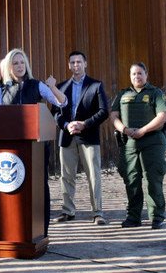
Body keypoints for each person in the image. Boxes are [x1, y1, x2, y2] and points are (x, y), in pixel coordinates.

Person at [0, 48, 68, 236]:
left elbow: (62, 103)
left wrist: (53, 87)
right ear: (9, 67)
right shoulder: (1, 89)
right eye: (15, 63)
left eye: (22, 62)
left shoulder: (37, 85)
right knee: (15, 187)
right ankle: (14, 229)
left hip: (36, 147)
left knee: (38, 188)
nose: (20, 66)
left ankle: (40, 231)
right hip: (11, 149)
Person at [110, 62, 166, 229]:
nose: (137, 77)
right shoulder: (122, 94)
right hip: (129, 144)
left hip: (152, 143)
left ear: (146, 75)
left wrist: (143, 130)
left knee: (153, 180)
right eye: (133, 74)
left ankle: (156, 217)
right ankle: (133, 217)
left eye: (139, 73)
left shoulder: (156, 93)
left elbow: (163, 116)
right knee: (131, 180)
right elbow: (114, 116)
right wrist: (124, 129)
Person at [53, 51, 109, 225]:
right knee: (66, 176)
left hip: (88, 137)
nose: (75, 65)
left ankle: (97, 213)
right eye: (72, 62)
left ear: (85, 64)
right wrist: (65, 125)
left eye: (79, 62)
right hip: (67, 137)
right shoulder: (60, 87)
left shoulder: (96, 85)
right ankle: (68, 211)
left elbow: (104, 111)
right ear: (69, 65)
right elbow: (54, 112)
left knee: (94, 175)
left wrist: (85, 124)